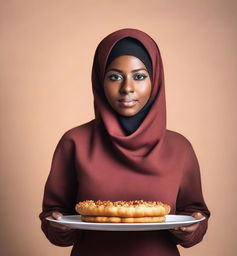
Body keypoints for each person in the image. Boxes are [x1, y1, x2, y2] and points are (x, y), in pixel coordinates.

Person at [39, 28, 210, 256]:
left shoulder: (179, 147)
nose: (127, 88)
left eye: (139, 76)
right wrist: (58, 225)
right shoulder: (75, 142)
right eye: (114, 77)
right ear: (100, 81)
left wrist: (190, 229)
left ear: (155, 80)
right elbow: (55, 219)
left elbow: (195, 216)